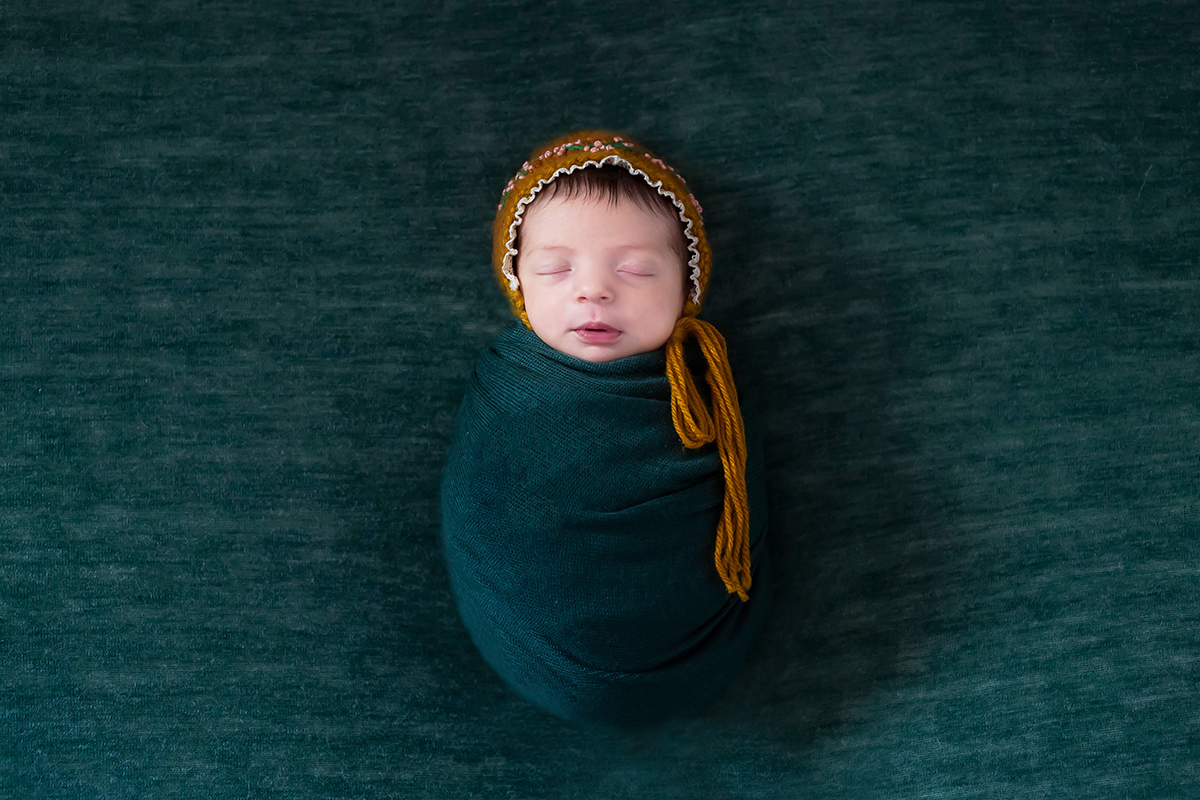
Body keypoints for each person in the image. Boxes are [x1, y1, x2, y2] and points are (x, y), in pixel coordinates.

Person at [440, 131, 770, 728]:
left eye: (636, 269)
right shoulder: (506, 390)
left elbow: (742, 504)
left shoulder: (708, 391)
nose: (593, 290)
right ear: (519, 283)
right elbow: (477, 507)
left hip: (699, 648)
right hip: (535, 648)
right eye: (555, 268)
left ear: (686, 289)